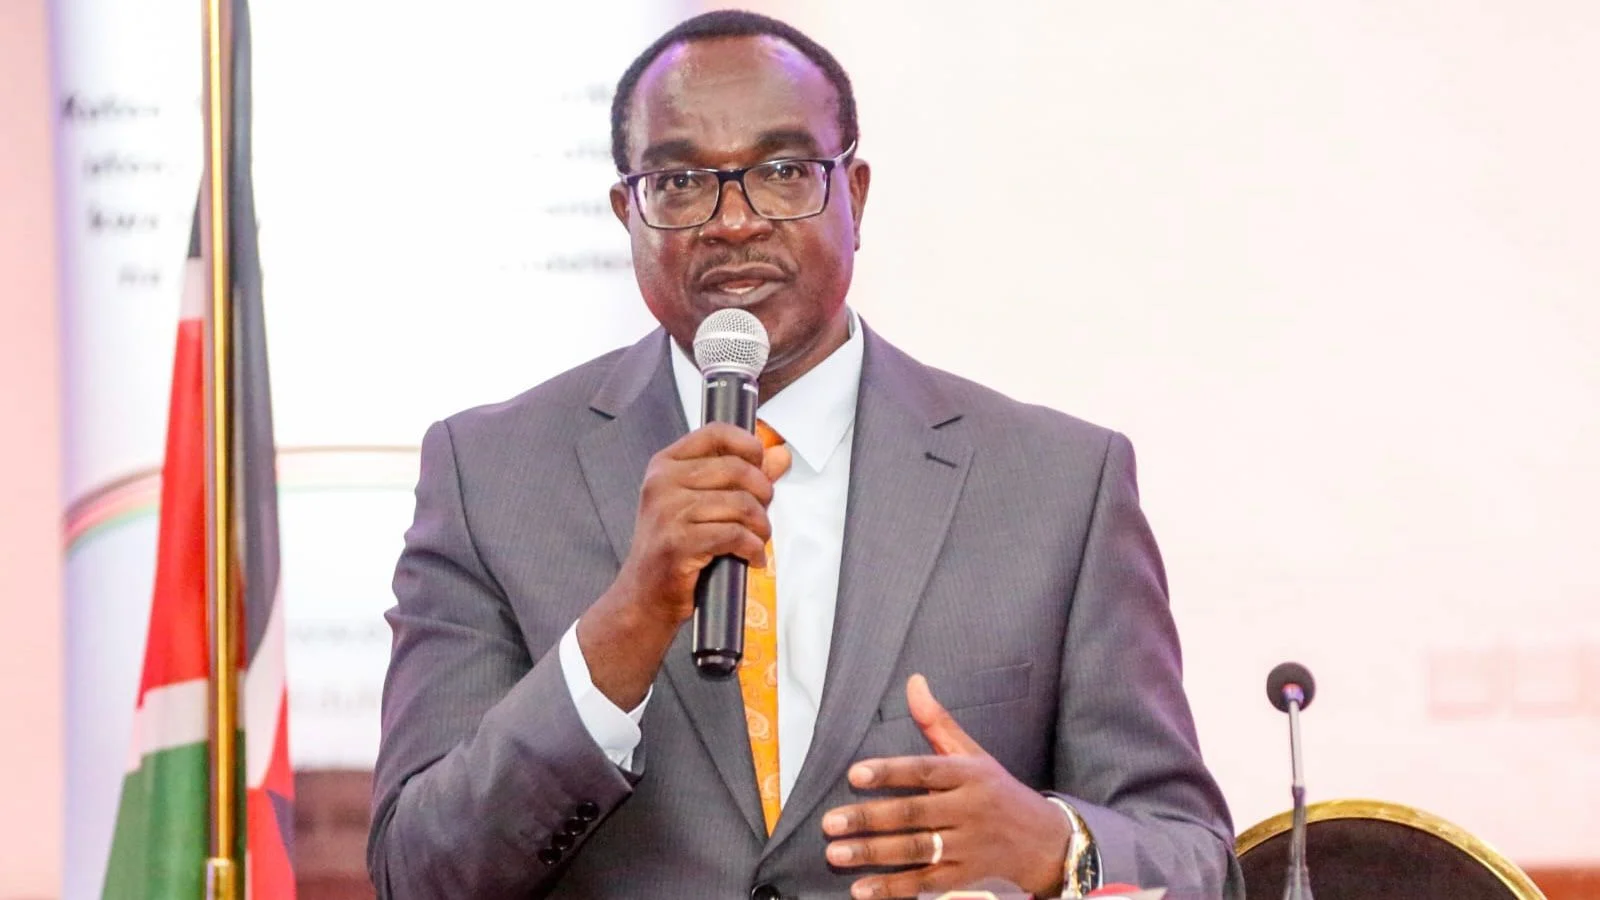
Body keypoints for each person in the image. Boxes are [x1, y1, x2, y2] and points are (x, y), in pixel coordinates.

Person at [368, 10, 1241, 899]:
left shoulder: (1058, 486)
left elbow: (1196, 858)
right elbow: (418, 871)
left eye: (784, 172)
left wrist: (1058, 847)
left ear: (855, 195)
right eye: (680, 181)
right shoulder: (488, 478)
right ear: (628, 212)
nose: (733, 222)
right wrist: (626, 623)